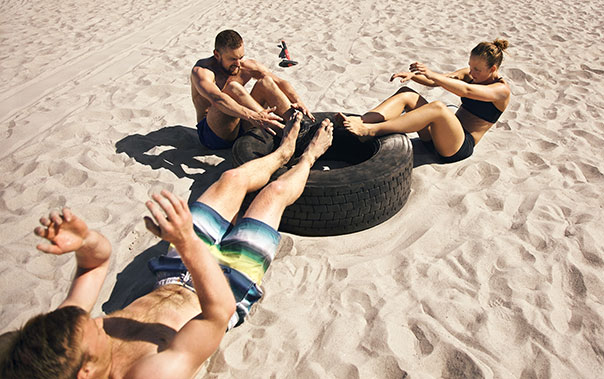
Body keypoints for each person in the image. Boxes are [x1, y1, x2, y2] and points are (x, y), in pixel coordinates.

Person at [0, 112, 334, 378]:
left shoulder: (62, 337)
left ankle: (282, 153)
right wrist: (187, 242)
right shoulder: (151, 371)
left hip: (173, 274)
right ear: (85, 372)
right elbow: (218, 314)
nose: (95, 320)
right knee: (272, 196)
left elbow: (94, 265)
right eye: (95, 329)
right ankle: (308, 157)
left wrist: (85, 241)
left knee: (231, 179)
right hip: (229, 286)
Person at [340, 39, 511, 163]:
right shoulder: (470, 74)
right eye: (470, 66)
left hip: (457, 147)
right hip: (438, 136)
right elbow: (436, 81)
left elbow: (467, 90)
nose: (471, 72)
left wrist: (431, 73)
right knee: (407, 94)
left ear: (493, 69)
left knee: (438, 107)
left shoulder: (501, 91)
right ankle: (361, 121)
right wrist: (414, 76)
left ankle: (371, 131)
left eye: (477, 69)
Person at [191, 29, 315, 150]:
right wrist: (253, 116)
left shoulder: (245, 66)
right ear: (217, 55)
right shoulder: (202, 72)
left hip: (241, 122)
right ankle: (283, 132)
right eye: (233, 59)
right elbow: (217, 99)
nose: (238, 63)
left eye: (241, 57)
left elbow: (280, 82)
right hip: (214, 135)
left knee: (266, 82)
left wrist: (298, 100)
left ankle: (298, 127)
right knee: (233, 88)